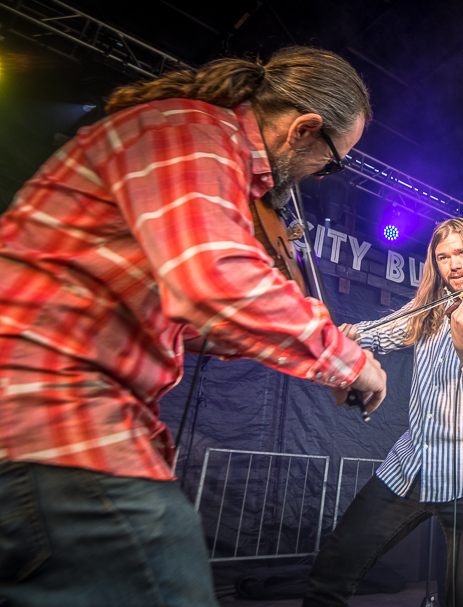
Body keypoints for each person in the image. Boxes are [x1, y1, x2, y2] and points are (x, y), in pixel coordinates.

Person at [0, 47, 387, 606]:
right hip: (56, 409)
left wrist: (295, 347)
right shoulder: (194, 134)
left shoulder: (195, 140)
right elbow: (215, 276)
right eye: (332, 162)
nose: (321, 176)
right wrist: (350, 362)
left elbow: (190, 314)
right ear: (304, 130)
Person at [303, 218, 463, 607]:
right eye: (443, 257)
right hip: (414, 461)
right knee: (332, 570)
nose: (453, 263)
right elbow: (380, 331)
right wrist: (345, 334)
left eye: (461, 253)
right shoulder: (429, 308)